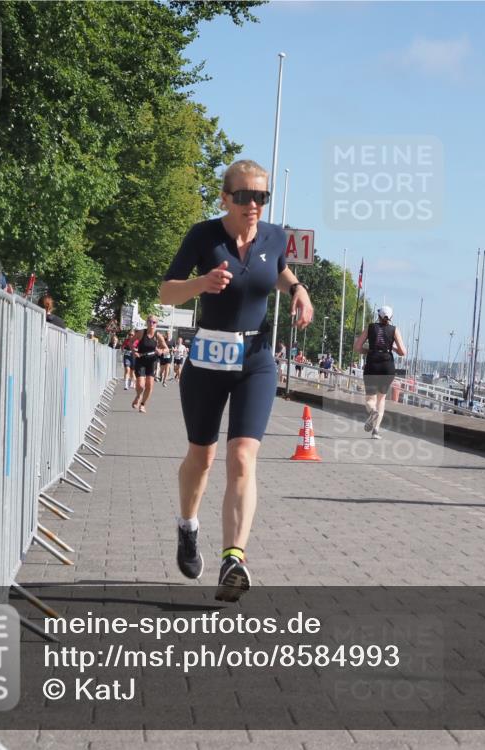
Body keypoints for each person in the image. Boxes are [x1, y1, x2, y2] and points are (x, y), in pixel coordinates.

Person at [158, 159, 313, 602]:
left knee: (242, 457)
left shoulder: (274, 235)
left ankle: (233, 558)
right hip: (207, 358)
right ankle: (188, 527)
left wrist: (298, 290)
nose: (253, 205)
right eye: (243, 196)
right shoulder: (203, 236)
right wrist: (200, 284)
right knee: (202, 457)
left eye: (260, 197)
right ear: (225, 198)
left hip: (256, 359)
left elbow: (278, 269)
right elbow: (165, 291)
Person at [353, 306, 407, 440]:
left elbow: (357, 347)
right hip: (387, 366)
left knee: (370, 399)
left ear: (378, 316)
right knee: (381, 398)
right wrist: (392, 348)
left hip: (372, 364)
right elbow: (403, 352)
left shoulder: (370, 327)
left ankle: (373, 412)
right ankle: (376, 430)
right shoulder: (394, 330)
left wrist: (369, 351)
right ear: (391, 317)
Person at [132, 317, 170, 413]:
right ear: (147, 322)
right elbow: (131, 342)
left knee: (149, 385)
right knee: (140, 385)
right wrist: (133, 351)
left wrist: (161, 351)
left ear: (156, 324)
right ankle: (138, 396)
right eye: (150, 321)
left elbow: (167, 349)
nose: (152, 324)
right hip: (141, 360)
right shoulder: (141, 333)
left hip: (152, 362)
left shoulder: (158, 336)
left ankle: (143, 404)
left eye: (154, 322)